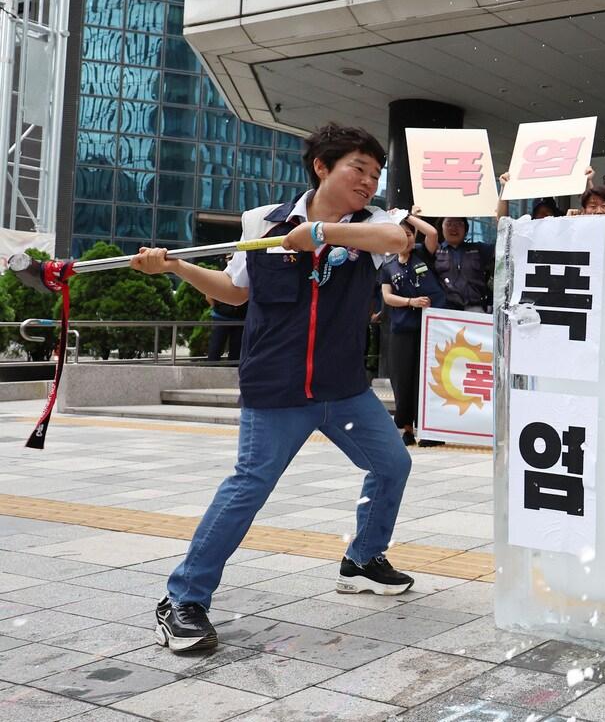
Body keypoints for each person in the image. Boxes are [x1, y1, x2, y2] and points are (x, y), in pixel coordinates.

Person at [131, 124, 417, 653]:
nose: (368, 182)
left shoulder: (372, 222)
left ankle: (362, 557)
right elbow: (235, 293)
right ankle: (183, 600)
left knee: (392, 464)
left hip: (343, 389)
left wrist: (324, 234)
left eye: (376, 175)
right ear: (322, 167)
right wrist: (174, 266)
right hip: (277, 386)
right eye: (359, 169)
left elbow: (396, 240)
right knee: (249, 486)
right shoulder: (262, 223)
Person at [382, 212, 446, 447]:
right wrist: (410, 302)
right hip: (402, 330)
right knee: (403, 379)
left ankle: (428, 429)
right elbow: (387, 297)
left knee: (428, 378)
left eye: (409, 234)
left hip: (430, 329)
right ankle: (406, 428)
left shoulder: (423, 254)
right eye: (400, 234)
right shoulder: (388, 265)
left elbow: (432, 233)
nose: (406, 239)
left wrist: (407, 215)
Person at [434, 216, 493, 314]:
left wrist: (500, 219)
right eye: (449, 224)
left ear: (466, 228)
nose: (454, 228)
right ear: (441, 227)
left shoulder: (478, 249)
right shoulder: (434, 251)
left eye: (459, 224)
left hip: (474, 309)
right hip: (444, 311)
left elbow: (503, 246)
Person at [205, 261, 246, 362]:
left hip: (240, 317)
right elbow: (209, 295)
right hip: (221, 316)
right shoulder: (223, 272)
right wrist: (217, 307)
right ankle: (210, 369)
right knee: (216, 346)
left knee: (236, 349)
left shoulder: (244, 273)